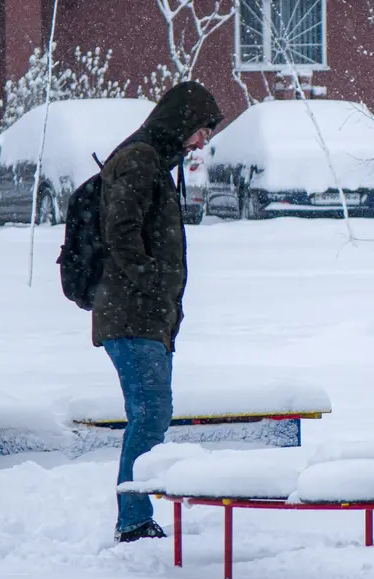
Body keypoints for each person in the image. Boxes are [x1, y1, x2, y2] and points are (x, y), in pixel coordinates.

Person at [92, 81, 223, 543]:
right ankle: (133, 520)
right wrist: (152, 285)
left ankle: (135, 516)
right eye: (202, 129)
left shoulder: (151, 161)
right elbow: (121, 230)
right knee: (151, 414)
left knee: (150, 414)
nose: (203, 141)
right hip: (132, 316)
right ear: (180, 122)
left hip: (145, 317)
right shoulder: (139, 159)